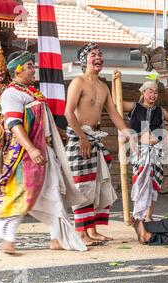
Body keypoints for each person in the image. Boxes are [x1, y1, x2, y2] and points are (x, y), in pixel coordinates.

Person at [0, 51, 87, 254]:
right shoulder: (11, 93)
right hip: (23, 154)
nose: (34, 69)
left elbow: (44, 120)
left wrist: (59, 133)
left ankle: (56, 238)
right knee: (22, 193)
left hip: (46, 150)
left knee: (54, 191)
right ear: (19, 70)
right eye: (30, 65)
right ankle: (7, 240)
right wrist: (31, 149)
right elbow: (13, 124)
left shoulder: (33, 93)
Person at [65, 42, 136, 246]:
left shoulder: (103, 86)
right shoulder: (77, 82)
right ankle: (81, 233)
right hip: (80, 138)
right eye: (93, 54)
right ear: (84, 59)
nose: (98, 57)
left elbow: (113, 113)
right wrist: (82, 137)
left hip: (94, 138)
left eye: (100, 54)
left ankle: (92, 231)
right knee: (82, 185)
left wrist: (128, 134)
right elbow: (68, 113)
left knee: (95, 186)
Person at [118, 76, 168, 222]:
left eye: (156, 92)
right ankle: (137, 214)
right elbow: (115, 104)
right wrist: (115, 83)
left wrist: (167, 136)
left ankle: (148, 216)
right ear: (143, 92)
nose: (153, 95)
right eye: (150, 91)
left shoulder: (160, 111)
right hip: (139, 149)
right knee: (139, 180)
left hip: (156, 150)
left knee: (154, 182)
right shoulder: (134, 107)